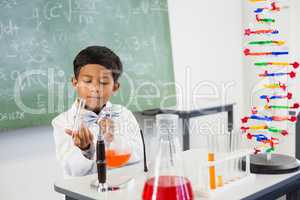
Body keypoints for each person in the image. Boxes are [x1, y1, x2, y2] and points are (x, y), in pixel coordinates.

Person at [52, 46, 142, 177]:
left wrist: (113, 139)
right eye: (87, 81)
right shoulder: (62, 122)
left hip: (120, 188)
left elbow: (137, 157)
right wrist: (85, 150)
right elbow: (73, 170)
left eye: (104, 82)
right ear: (75, 82)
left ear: (115, 87)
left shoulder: (124, 115)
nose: (95, 88)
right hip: (80, 194)